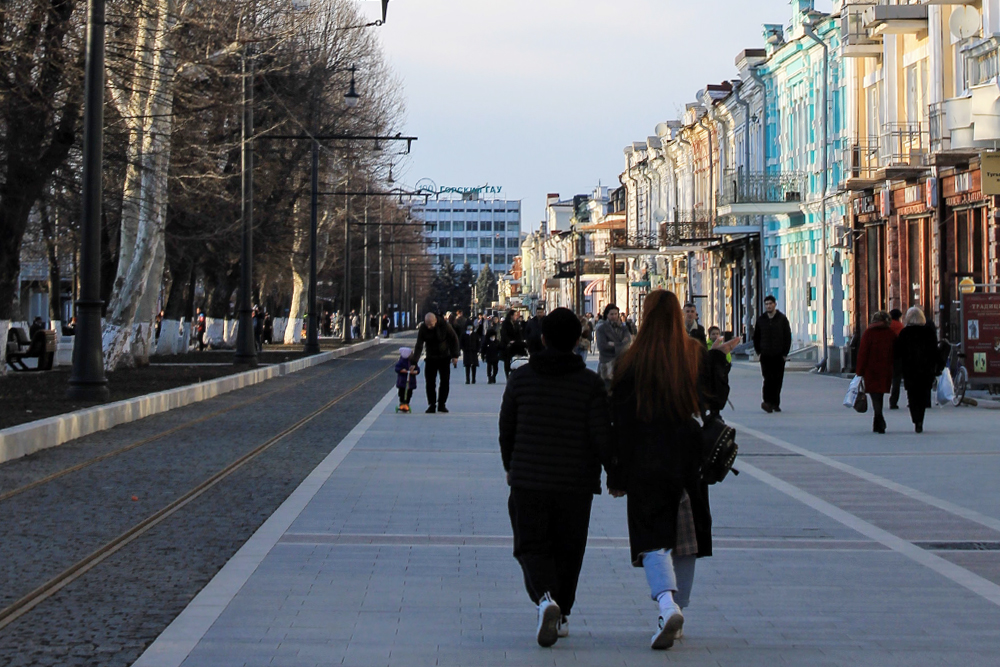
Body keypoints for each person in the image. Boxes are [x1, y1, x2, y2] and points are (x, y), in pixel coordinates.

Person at [608, 289, 739, 650]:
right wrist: (718, 359)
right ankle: (677, 610)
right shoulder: (692, 355)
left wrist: (616, 474)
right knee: (686, 538)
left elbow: (618, 422)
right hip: (687, 455)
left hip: (644, 458)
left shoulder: (629, 362)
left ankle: (667, 604)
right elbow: (713, 399)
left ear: (646, 317)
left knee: (652, 536)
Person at [498, 307, 615, 648]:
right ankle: (561, 613)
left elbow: (507, 428)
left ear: (543, 339)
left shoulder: (521, 378)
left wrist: (510, 465)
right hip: (575, 484)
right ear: (579, 340)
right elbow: (601, 434)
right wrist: (616, 473)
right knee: (569, 549)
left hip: (528, 479)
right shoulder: (590, 384)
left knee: (531, 544)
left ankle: (544, 598)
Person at [894, 307, 939, 433]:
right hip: (926, 369)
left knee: (912, 395)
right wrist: (938, 366)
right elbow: (935, 351)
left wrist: (897, 366)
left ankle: (915, 418)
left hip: (910, 370)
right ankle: (920, 420)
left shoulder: (904, 333)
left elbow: (898, 352)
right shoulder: (929, 332)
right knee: (923, 395)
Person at [855, 311, 897, 434]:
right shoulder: (890, 334)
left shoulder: (868, 333)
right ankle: (877, 421)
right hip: (885, 369)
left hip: (871, 370)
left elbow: (863, 353)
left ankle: (879, 418)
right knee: (880, 395)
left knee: (875, 395)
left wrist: (859, 371)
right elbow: (895, 352)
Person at [412, 312, 460, 413]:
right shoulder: (423, 328)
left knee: (445, 381)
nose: (429, 327)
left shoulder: (445, 325)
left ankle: (442, 404)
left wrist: (455, 355)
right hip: (430, 358)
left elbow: (454, 339)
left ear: (435, 321)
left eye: (431, 324)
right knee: (430, 382)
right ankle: (432, 404)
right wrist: (414, 362)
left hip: (444, 357)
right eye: (427, 324)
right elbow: (419, 345)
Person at [752, 295, 792, 413]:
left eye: (770, 304)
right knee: (767, 379)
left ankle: (775, 403)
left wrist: (785, 353)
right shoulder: (761, 320)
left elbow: (787, 337)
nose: (768, 306)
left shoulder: (782, 319)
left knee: (777, 380)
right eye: (766, 304)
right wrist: (759, 352)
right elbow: (756, 337)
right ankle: (767, 402)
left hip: (779, 355)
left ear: (775, 304)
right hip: (765, 355)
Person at [594, 303, 632, 392]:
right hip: (607, 365)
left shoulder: (624, 328)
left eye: (616, 314)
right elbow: (602, 347)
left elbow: (628, 343)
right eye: (611, 314)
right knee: (606, 391)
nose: (614, 316)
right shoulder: (601, 328)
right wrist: (620, 344)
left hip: (622, 364)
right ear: (607, 315)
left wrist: (614, 344)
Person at [500, 309, 525, 379]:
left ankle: (514, 374)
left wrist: (521, 341)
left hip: (516, 345)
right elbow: (504, 334)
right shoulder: (505, 323)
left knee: (516, 359)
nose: (516, 316)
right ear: (511, 316)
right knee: (507, 361)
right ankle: (507, 374)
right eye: (515, 315)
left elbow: (519, 333)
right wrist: (509, 341)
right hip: (507, 345)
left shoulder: (517, 323)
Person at [888, 309, 905, 409]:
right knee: (896, 379)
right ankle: (893, 401)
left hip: (887, 355)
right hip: (898, 356)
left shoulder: (887, 326)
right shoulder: (899, 326)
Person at [394, 347, 419, 413]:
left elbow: (417, 369)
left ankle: (407, 403)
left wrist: (414, 371)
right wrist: (402, 370)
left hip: (410, 381)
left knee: (409, 393)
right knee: (401, 392)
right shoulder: (401, 361)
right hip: (402, 381)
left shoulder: (413, 362)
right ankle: (402, 402)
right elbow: (397, 368)